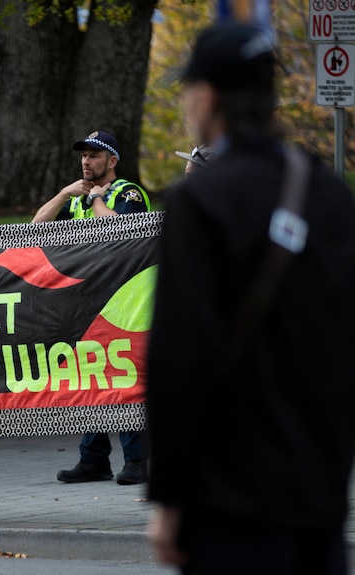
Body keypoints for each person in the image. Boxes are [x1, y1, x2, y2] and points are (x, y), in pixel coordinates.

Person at [145, 22, 355, 574]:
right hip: (318, 487)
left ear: (207, 96)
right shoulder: (328, 193)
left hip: (230, 494)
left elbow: (178, 356)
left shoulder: (202, 201)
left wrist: (169, 497)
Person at [32, 130, 152, 486]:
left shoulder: (129, 192)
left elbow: (119, 234)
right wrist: (63, 194)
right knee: (90, 381)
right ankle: (94, 460)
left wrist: (98, 199)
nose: (86, 161)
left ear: (112, 161)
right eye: (83, 155)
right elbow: (34, 230)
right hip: (87, 308)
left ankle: (136, 462)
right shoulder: (76, 199)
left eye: (95, 155)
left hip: (126, 308)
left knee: (124, 382)